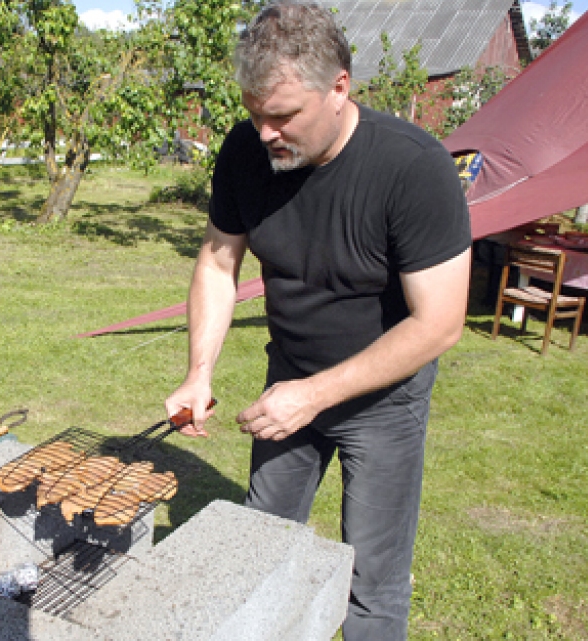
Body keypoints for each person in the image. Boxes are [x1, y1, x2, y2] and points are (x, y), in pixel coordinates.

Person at [163, 2, 472, 639]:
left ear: (338, 88)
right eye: (255, 115)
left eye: (282, 116)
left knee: (374, 580)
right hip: (290, 376)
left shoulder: (413, 168)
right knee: (258, 543)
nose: (266, 133)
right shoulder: (246, 152)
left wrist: (316, 396)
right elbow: (219, 265)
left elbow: (438, 323)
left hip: (384, 400)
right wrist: (199, 373)